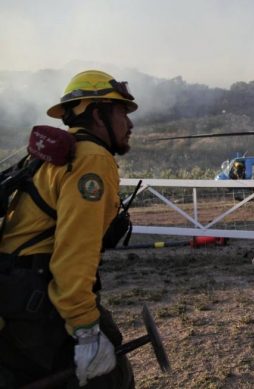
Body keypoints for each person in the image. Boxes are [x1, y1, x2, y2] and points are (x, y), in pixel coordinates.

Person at [0, 70, 138, 388]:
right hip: (37, 304)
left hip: (15, 297)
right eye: (121, 112)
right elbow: (75, 251)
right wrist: (85, 328)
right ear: (96, 113)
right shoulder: (91, 160)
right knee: (109, 375)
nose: (130, 124)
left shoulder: (54, 156)